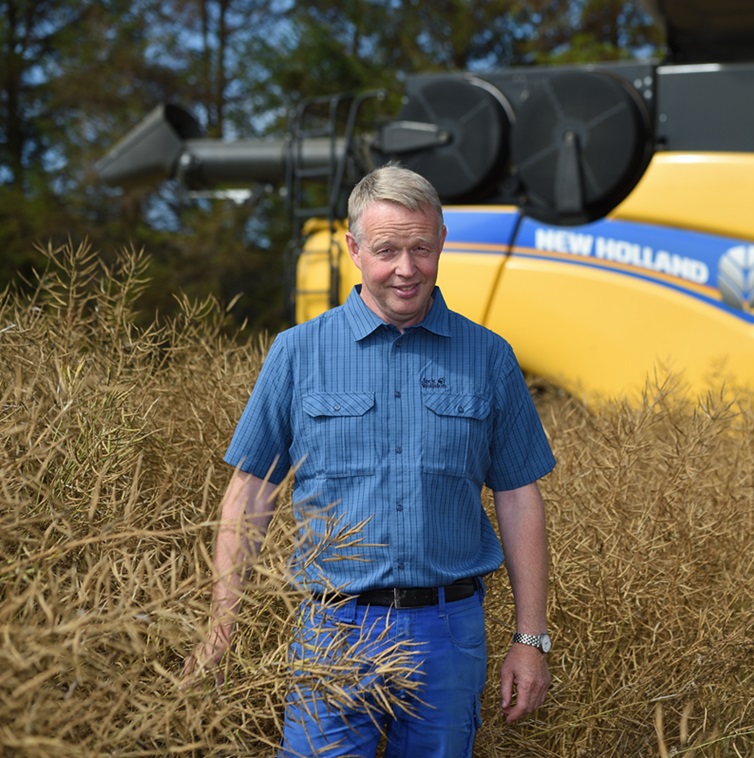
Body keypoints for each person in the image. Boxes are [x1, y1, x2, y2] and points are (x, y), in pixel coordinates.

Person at [183, 164, 556, 757]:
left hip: (449, 632)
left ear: (441, 243)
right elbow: (249, 494)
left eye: (421, 249)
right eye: (386, 250)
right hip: (334, 630)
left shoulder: (490, 357)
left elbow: (517, 496)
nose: (406, 269)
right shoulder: (297, 353)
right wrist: (221, 626)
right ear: (354, 248)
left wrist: (530, 638)